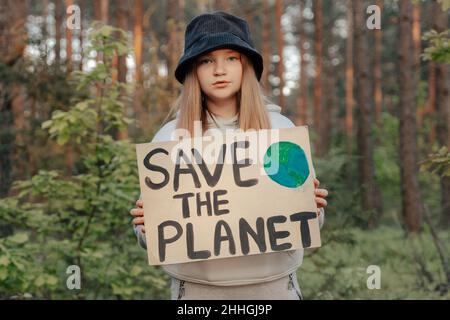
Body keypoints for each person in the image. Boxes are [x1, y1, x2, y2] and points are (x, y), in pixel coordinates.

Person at [130, 11, 329, 300]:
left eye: (231, 58)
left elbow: (308, 224)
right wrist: (145, 225)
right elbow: (154, 238)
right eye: (207, 60)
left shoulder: (281, 131)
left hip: (274, 290)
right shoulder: (169, 140)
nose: (219, 70)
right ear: (193, 71)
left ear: (246, 66)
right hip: (197, 294)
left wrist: (313, 206)